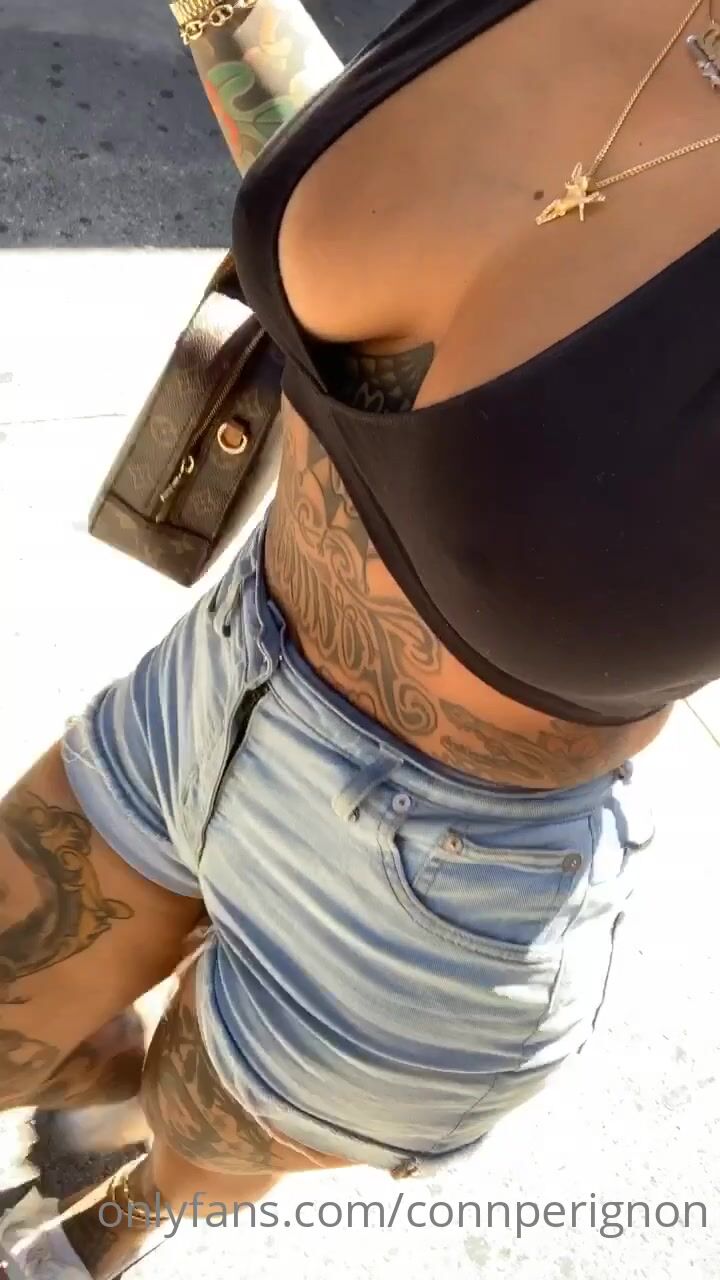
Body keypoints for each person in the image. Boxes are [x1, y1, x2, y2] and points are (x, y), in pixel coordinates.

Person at [2, 0, 719, 1275]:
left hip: (437, 899)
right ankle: (125, 1074)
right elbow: (389, 268)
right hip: (218, 678)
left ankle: (107, 1231)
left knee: (186, 1150)